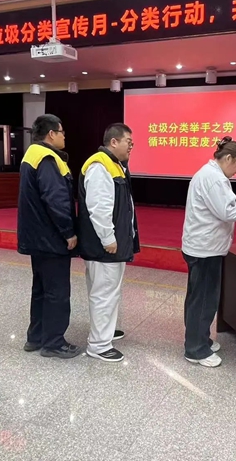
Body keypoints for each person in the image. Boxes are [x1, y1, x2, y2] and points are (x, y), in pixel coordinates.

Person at [181, 137, 236, 368]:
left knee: (199, 298)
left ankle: (200, 339)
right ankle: (196, 350)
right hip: (205, 249)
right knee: (203, 300)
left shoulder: (209, 173)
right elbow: (228, 212)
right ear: (228, 158)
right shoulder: (214, 179)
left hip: (203, 246)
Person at [18, 114, 82, 359]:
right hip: (51, 238)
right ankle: (54, 343)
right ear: (51, 134)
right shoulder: (47, 158)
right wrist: (68, 232)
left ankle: (36, 337)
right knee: (57, 292)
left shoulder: (31, 154)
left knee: (41, 289)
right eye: (62, 131)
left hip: (37, 237)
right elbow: (56, 199)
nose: (65, 136)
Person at [78, 123, 139, 363]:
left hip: (112, 244)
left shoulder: (114, 165)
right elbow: (99, 207)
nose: (131, 147)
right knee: (104, 293)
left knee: (108, 292)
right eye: (128, 142)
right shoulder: (100, 165)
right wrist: (108, 238)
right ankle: (99, 345)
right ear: (114, 142)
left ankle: (105, 331)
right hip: (104, 246)